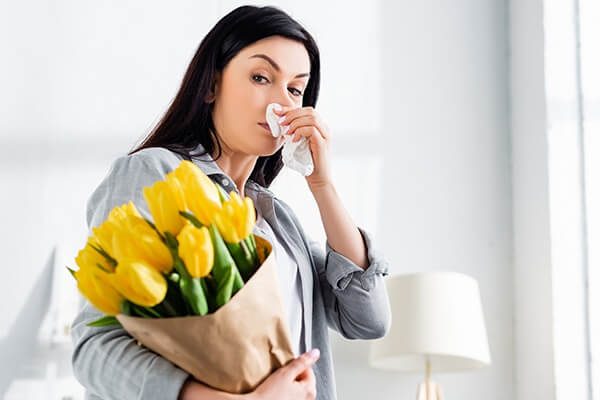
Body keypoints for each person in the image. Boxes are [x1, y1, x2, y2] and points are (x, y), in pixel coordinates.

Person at [71, 5, 391, 400]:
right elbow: (95, 347)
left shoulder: (276, 221)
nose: (283, 104)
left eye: (295, 89)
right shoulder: (157, 173)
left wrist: (322, 184)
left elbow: (369, 319)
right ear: (211, 85)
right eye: (261, 77)